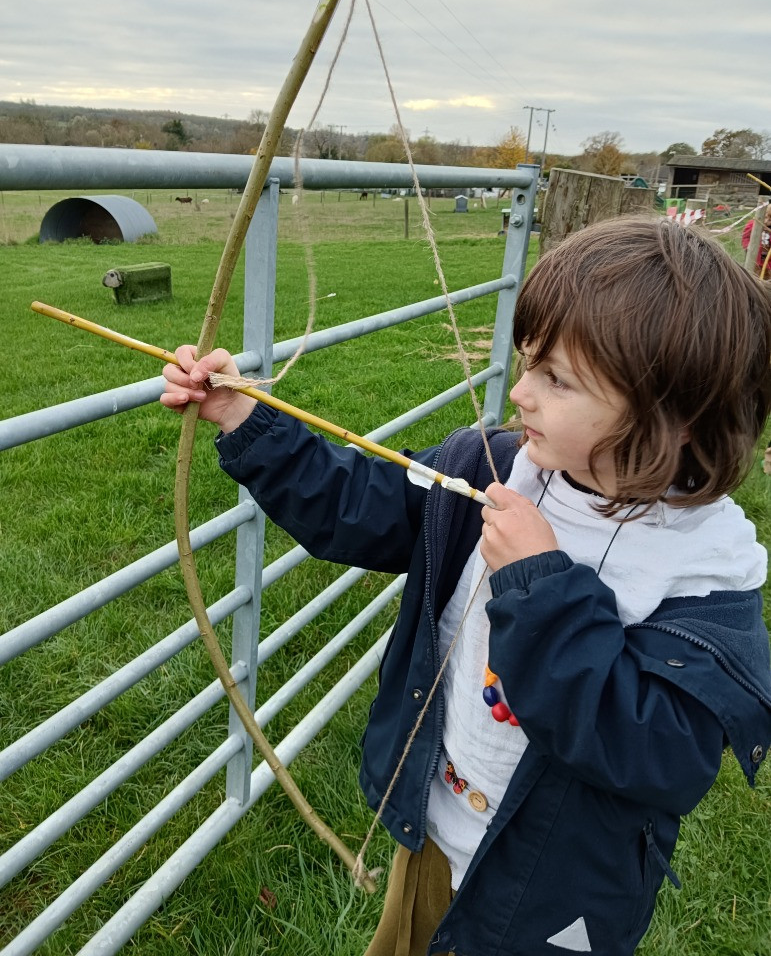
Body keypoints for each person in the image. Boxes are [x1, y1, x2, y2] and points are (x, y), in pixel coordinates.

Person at [160, 216, 771, 956]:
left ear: (672, 413)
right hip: (434, 828)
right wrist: (243, 418)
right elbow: (359, 507)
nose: (520, 394)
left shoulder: (703, 572)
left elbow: (657, 757)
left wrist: (537, 586)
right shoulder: (488, 468)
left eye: (556, 378)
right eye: (526, 363)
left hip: (556, 896)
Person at [742, 203, 771, 276]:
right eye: (765, 217)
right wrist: (747, 246)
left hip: (768, 260)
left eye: (770, 220)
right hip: (755, 257)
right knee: (753, 274)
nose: (766, 221)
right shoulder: (753, 224)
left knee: (766, 276)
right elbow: (746, 236)